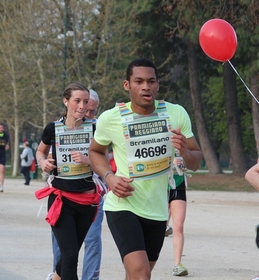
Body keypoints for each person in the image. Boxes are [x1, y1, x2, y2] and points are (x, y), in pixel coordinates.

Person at [89, 58, 202, 279]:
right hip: (123, 205)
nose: (145, 87)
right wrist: (109, 177)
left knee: (137, 274)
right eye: (138, 81)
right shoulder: (110, 119)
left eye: (151, 81)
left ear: (158, 85)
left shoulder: (176, 114)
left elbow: (196, 161)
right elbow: (95, 152)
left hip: (157, 210)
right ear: (127, 85)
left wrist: (185, 152)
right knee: (141, 273)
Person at [35, 83, 101, 280]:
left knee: (68, 256)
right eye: (77, 101)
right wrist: (43, 162)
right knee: (71, 256)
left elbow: (105, 160)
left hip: (87, 202)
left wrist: (89, 160)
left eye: (85, 101)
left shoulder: (95, 129)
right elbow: (40, 151)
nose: (82, 106)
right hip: (61, 200)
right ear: (66, 101)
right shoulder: (53, 129)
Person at [167, 155, 191, 276]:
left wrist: (184, 163)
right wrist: (170, 163)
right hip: (158, 186)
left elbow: (192, 161)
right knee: (154, 226)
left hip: (178, 184)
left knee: (179, 227)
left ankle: (178, 265)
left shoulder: (182, 141)